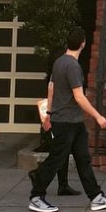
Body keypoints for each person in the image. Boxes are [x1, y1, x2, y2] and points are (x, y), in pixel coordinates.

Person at [28, 26, 106, 212]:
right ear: (83, 44)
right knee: (56, 160)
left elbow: (51, 89)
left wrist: (48, 115)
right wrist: (98, 115)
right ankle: (36, 196)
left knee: (83, 159)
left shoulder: (59, 62)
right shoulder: (73, 66)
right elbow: (79, 97)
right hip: (66, 122)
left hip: (72, 122)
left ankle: (96, 197)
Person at [30, 48, 81, 196]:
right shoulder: (59, 72)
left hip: (57, 114)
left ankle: (62, 184)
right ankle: (40, 175)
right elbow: (52, 92)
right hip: (58, 115)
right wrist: (49, 114)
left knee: (61, 150)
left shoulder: (56, 71)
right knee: (60, 151)